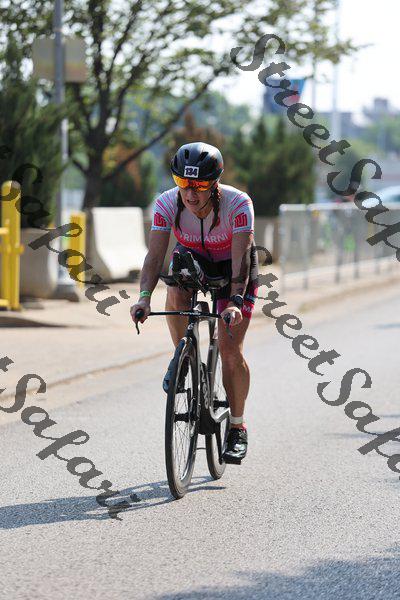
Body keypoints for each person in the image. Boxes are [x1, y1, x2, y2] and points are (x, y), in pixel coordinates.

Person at [130, 142, 258, 464]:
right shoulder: (166, 204)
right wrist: (144, 298)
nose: (190, 193)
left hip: (233, 269)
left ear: (214, 183)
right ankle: (183, 356)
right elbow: (154, 257)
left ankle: (237, 428)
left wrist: (235, 301)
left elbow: (241, 261)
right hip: (195, 259)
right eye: (183, 183)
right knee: (175, 283)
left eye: (199, 185)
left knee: (230, 349)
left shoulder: (238, 204)